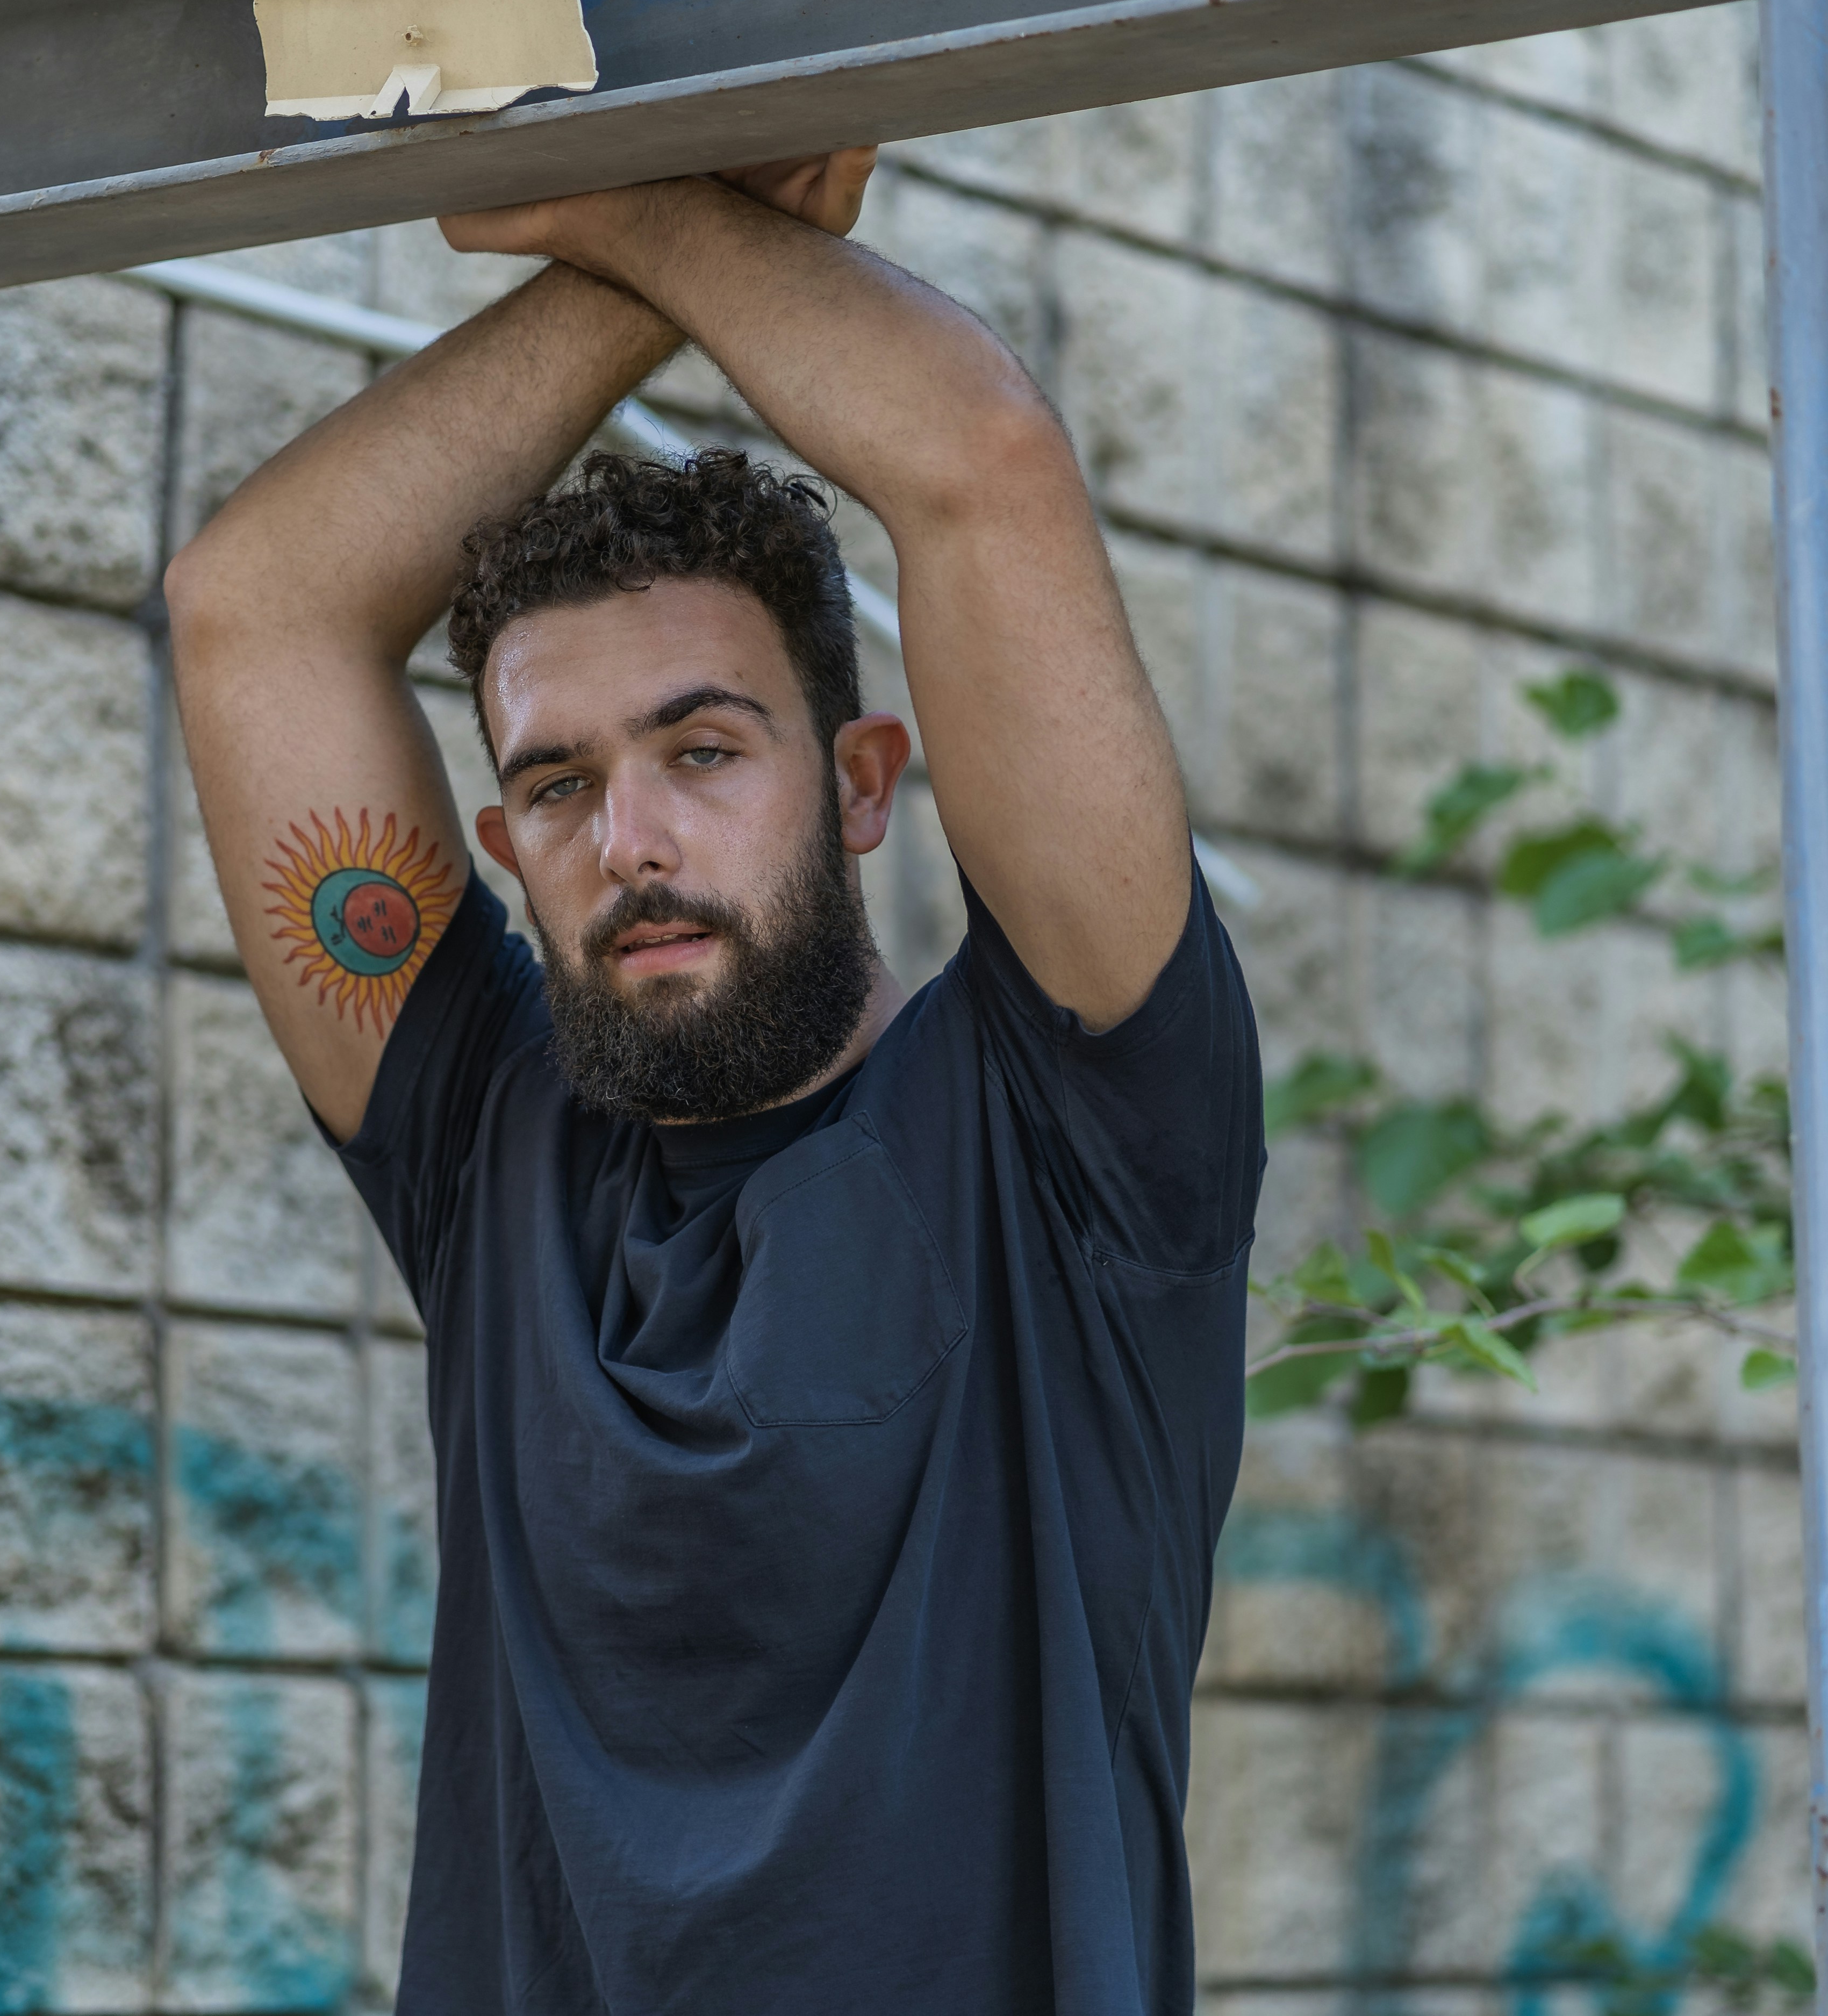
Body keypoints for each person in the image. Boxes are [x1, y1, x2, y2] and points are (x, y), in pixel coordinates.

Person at [164, 145, 1265, 2015]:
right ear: (505, 846)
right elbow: (252, 607)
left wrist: (630, 206)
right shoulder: (490, 1148)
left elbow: (982, 461)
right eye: (560, 784)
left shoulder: (1075, 1140)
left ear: (860, 784)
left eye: (704, 750)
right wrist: (653, 251)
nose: (634, 841)